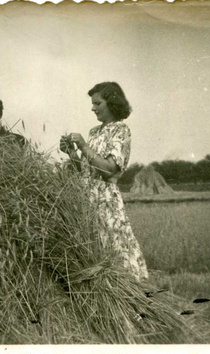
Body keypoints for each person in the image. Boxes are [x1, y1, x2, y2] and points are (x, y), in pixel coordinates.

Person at [60, 82, 148, 281]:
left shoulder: (121, 130)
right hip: (86, 202)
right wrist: (72, 153)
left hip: (105, 203)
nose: (93, 108)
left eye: (98, 103)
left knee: (115, 253)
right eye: (93, 103)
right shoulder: (94, 132)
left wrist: (83, 146)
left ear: (112, 103)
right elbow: (86, 171)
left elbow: (109, 170)